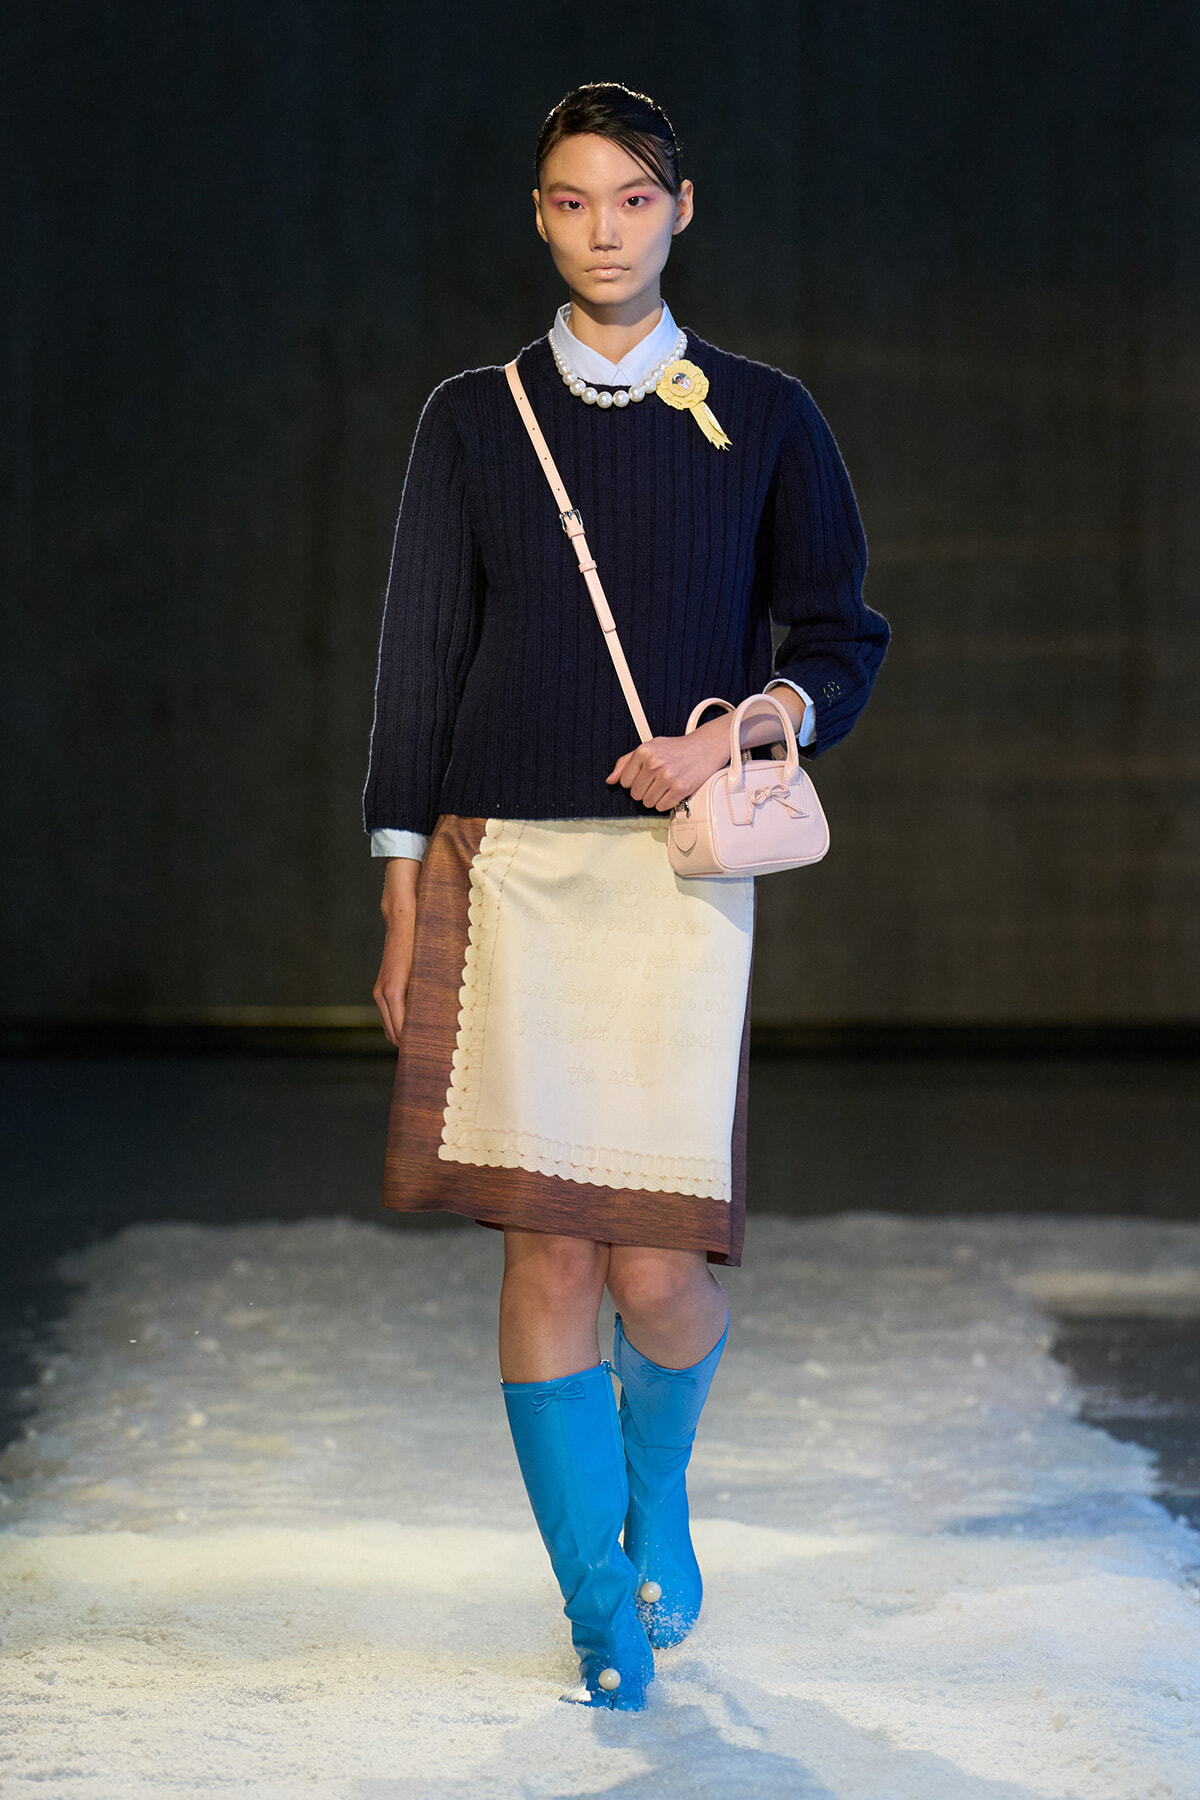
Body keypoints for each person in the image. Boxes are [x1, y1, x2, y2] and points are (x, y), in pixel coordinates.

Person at [364, 82, 889, 1711]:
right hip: (506, 868)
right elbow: (418, 662)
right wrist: (398, 894)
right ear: (539, 216)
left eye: (634, 199)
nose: (605, 230)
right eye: (573, 201)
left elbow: (840, 643)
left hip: (673, 885)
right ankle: (597, 1599)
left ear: (682, 209)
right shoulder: (475, 417)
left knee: (656, 1271)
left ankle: (655, 1487)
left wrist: (726, 733)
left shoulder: (768, 415)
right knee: (550, 1254)